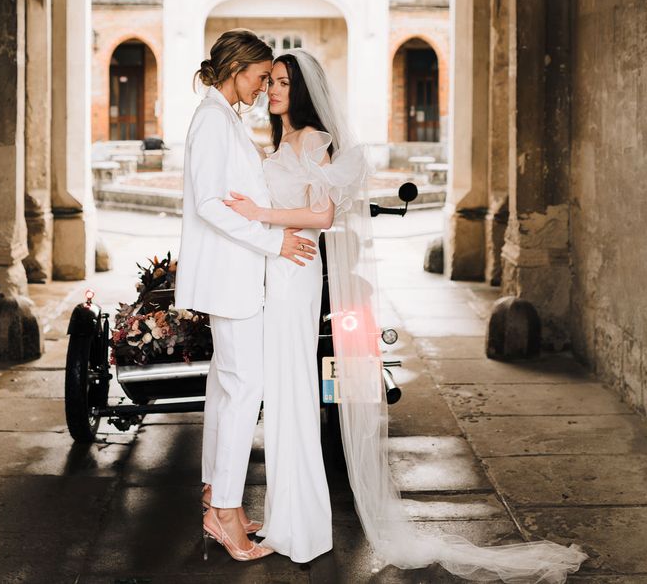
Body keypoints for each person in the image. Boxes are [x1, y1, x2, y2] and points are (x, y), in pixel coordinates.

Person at [224, 49, 588, 582]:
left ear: (301, 91)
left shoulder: (311, 141)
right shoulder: (282, 141)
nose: (272, 91)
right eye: (271, 82)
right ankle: (290, 520)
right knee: (283, 398)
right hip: (277, 273)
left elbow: (323, 214)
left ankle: (300, 528)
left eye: (281, 83)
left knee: (293, 397)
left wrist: (261, 215)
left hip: (293, 274)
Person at [174, 29, 317, 562]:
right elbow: (210, 204)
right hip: (232, 276)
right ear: (236, 68)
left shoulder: (223, 117)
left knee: (225, 388)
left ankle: (217, 493)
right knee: (243, 391)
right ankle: (226, 516)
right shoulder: (213, 120)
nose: (262, 87)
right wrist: (273, 241)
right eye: (260, 76)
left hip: (232, 275)